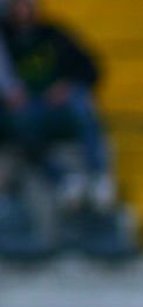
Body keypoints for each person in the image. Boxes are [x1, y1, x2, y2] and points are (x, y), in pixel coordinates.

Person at [0, 0, 114, 210]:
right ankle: (64, 180)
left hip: (59, 104)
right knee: (19, 127)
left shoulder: (53, 34)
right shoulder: (6, 40)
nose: (23, 9)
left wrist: (66, 85)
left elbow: (91, 68)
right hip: (28, 109)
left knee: (82, 105)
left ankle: (99, 176)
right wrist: (12, 95)